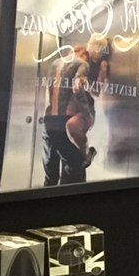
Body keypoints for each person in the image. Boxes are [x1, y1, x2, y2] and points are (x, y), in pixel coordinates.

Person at [40, 33, 112, 186]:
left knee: (54, 171)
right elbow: (75, 87)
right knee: (72, 170)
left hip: (55, 120)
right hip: (64, 118)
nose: (100, 54)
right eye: (100, 49)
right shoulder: (81, 62)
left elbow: (53, 90)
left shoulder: (60, 62)